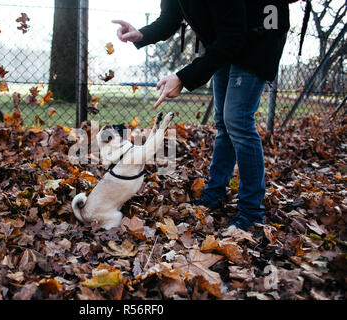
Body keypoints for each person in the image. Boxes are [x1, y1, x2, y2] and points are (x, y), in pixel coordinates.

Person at [113, 0, 291, 230]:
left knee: (237, 120)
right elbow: (169, 18)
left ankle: (251, 212)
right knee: (223, 124)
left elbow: (234, 37)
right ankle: (214, 194)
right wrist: (141, 34)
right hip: (227, 43)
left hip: (258, 41)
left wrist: (183, 78)